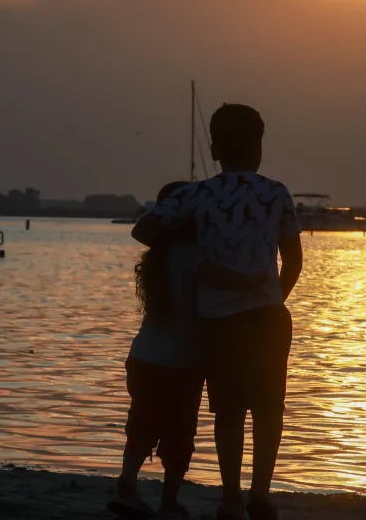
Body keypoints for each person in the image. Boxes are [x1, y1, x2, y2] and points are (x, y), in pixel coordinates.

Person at [132, 104, 303, 520]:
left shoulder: (197, 194)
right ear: (258, 145)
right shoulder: (276, 192)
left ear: (214, 147)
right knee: (268, 408)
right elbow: (294, 261)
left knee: (228, 412)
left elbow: (143, 230)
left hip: (218, 321)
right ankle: (259, 492)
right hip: (267, 316)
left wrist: (191, 245)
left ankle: (230, 497)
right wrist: (270, 295)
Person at [110, 181, 268, 520]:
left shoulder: (156, 258)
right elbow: (231, 281)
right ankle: (168, 500)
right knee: (179, 435)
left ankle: (128, 484)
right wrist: (259, 278)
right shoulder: (195, 256)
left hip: (144, 357)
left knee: (141, 425)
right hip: (183, 364)